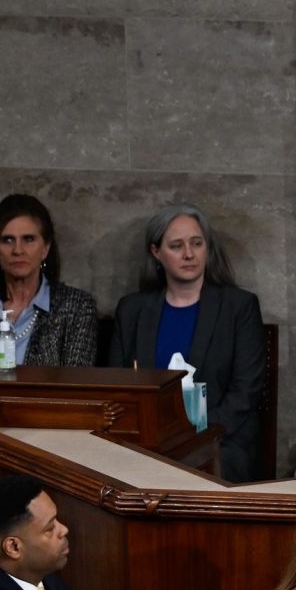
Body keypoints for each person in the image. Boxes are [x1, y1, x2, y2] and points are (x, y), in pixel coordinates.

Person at [106, 204, 270, 482]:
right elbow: (117, 386)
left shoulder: (238, 307)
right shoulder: (133, 310)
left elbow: (245, 393)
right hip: (147, 440)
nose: (189, 254)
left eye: (197, 243)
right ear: (156, 253)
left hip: (219, 439)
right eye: (177, 246)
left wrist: (191, 435)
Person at [0, 194, 99, 368]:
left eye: (28, 239)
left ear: (45, 249)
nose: (18, 250)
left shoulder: (77, 307)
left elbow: (75, 387)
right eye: (7, 240)